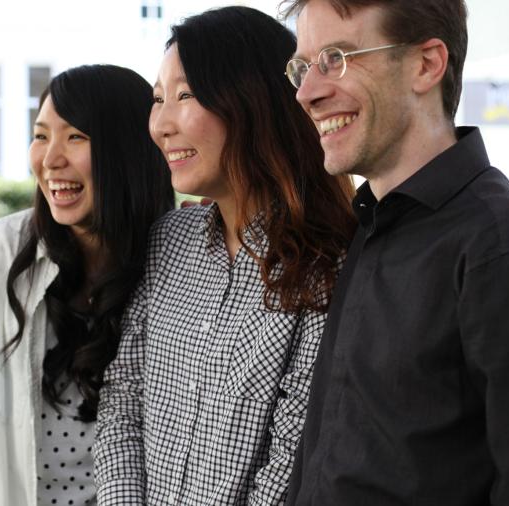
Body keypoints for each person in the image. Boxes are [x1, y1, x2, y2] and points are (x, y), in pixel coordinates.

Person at [282, 0, 509, 504]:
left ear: (426, 64)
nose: (306, 93)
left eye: (336, 58)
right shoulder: (372, 222)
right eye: (303, 67)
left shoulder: (503, 246)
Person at [93, 6, 357, 505]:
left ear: (253, 102)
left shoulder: (328, 264)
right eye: (157, 99)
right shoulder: (168, 241)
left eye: (185, 95)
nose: (161, 124)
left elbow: (293, 454)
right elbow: (123, 401)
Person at [0, 64, 174, 506]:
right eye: (41, 136)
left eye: (75, 137)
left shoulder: (179, 259)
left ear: (129, 150)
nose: (50, 159)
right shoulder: (1, 252)